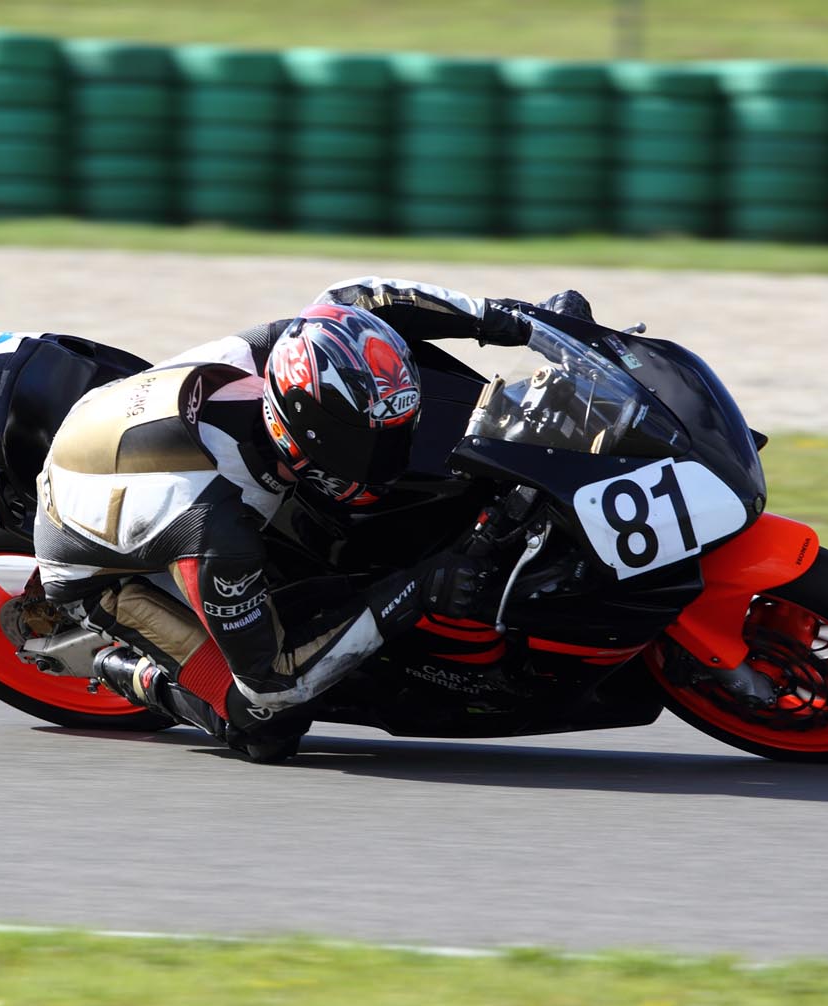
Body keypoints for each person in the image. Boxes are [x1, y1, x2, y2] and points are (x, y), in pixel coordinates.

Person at [28, 277, 548, 762]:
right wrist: (418, 589)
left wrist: (517, 322)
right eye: (369, 446)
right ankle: (126, 670)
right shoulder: (217, 530)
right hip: (94, 559)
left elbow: (365, 299)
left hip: (130, 430)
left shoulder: (298, 344)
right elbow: (275, 679)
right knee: (264, 724)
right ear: (311, 440)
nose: (390, 458)